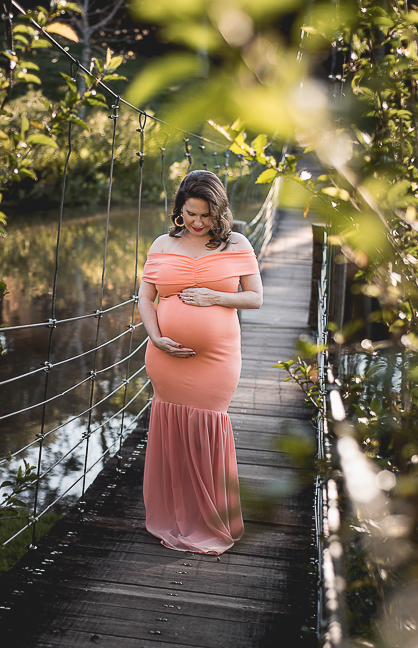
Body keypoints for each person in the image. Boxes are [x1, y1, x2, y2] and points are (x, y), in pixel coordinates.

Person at [137, 169, 263, 555]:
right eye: (189, 213)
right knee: (173, 430)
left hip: (217, 360)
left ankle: (208, 518)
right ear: (180, 209)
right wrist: (156, 337)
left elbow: (255, 297)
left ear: (219, 212)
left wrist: (215, 298)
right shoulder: (162, 243)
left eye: (205, 215)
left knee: (207, 428)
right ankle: (174, 514)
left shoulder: (236, 242)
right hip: (165, 358)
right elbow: (145, 297)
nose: (196, 221)